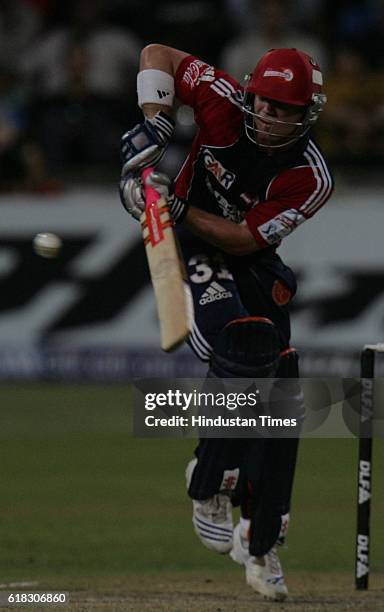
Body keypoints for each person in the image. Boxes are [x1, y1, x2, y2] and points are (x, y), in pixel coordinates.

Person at [119, 43, 334, 601]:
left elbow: (242, 238)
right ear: (249, 93)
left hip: (246, 253)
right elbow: (157, 54)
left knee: (282, 385)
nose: (270, 117)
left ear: (306, 113)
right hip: (192, 250)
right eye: (264, 102)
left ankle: (261, 542)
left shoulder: (309, 176)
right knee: (244, 344)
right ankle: (210, 481)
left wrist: (172, 204)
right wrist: (156, 127)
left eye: (286, 109)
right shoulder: (220, 101)